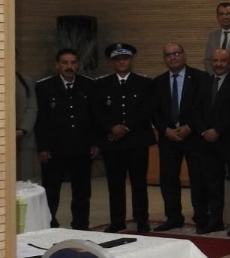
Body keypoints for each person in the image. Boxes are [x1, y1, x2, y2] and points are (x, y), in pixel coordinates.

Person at [92, 43, 155, 232]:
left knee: (139, 183)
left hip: (137, 141)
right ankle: (117, 220)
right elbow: (97, 111)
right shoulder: (101, 84)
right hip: (112, 142)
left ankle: (141, 220)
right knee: (115, 184)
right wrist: (111, 127)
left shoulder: (144, 83)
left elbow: (147, 109)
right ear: (112, 62)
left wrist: (126, 127)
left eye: (125, 58)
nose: (121, 62)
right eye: (117, 59)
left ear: (131, 60)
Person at [151, 43, 211, 232]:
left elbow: (204, 107)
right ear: (164, 59)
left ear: (184, 55)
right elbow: (153, 111)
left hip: (193, 136)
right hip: (168, 138)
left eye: (176, 53)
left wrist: (190, 127)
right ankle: (173, 217)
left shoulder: (201, 78)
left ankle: (201, 217)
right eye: (168, 55)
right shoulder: (158, 82)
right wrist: (165, 130)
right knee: (168, 179)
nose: (173, 57)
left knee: (198, 178)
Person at [35, 48, 97, 228]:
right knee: (51, 190)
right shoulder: (44, 86)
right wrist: (42, 147)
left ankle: (81, 225)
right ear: (57, 65)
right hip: (54, 149)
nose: (69, 66)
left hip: (81, 148)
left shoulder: (89, 85)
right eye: (64, 63)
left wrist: (95, 142)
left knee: (82, 191)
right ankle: (49, 225)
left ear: (78, 65)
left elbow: (95, 117)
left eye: (73, 63)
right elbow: (41, 119)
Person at [198, 49, 230, 235]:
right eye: (215, 60)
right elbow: (195, 109)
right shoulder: (205, 81)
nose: (218, 64)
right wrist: (204, 130)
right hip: (208, 141)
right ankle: (215, 220)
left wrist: (217, 130)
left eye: (223, 61)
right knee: (212, 182)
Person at [15, 68, 38, 182]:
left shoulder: (26, 81)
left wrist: (22, 129)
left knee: (24, 180)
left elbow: (32, 107)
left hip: (23, 137)